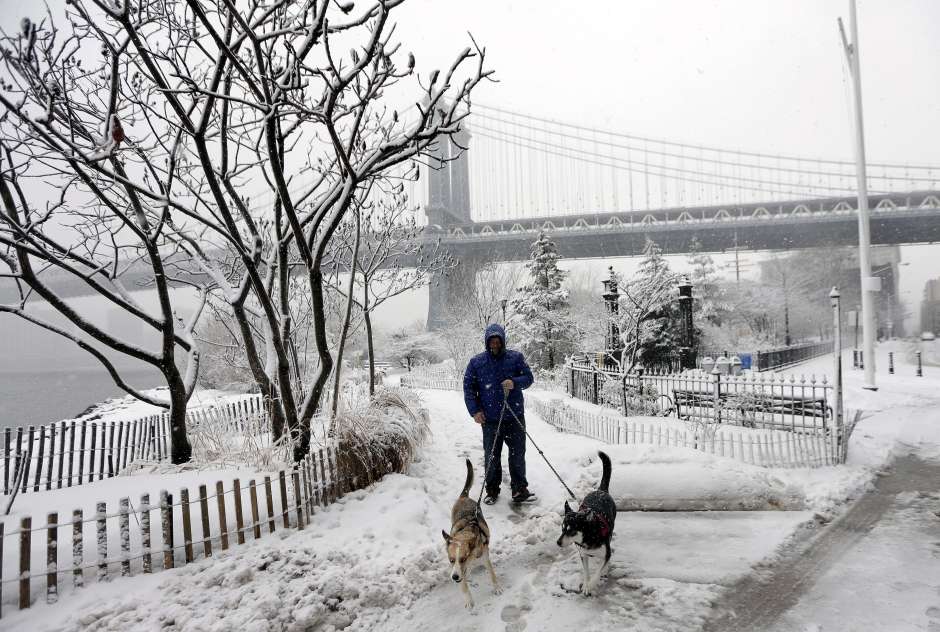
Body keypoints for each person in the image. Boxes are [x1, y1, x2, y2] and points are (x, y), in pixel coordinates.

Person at [463, 323, 535, 504]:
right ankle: (492, 490)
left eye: (497, 341)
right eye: (491, 341)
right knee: (492, 456)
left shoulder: (515, 358)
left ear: (502, 341)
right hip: (490, 420)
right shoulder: (476, 362)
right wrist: (475, 411)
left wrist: (514, 382)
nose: (494, 344)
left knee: (517, 454)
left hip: (514, 416)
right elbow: (469, 389)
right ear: (487, 342)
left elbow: (529, 378)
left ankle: (519, 489)